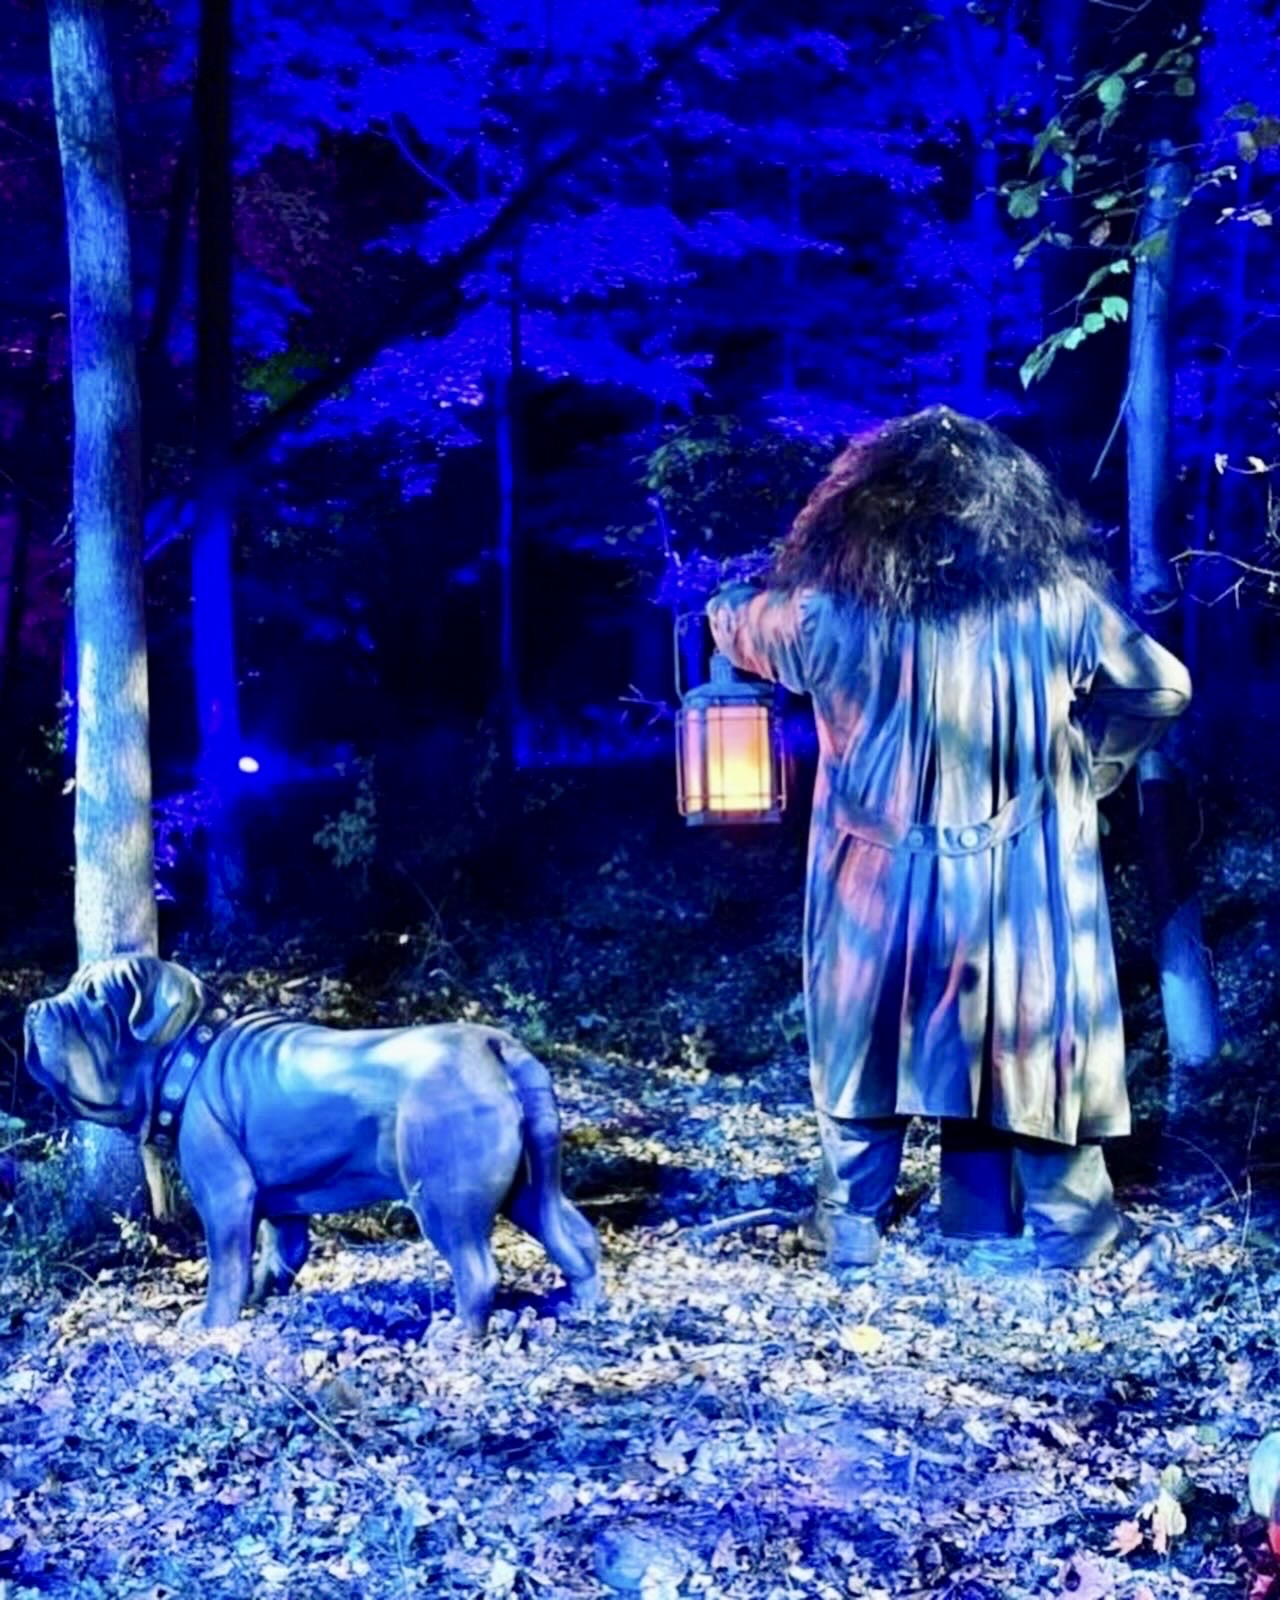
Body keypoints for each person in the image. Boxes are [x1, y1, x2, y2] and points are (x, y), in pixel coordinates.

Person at [707, 406, 1191, 1272]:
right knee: (1033, 1043)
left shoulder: (824, 615)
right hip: (1021, 885)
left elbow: (739, 623)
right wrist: (1094, 768)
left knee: (865, 1044)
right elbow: (1160, 686)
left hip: (874, 886)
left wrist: (726, 601)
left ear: (861, 513)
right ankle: (1073, 1234)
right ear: (1008, 513)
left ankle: (848, 1228)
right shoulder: (1058, 607)